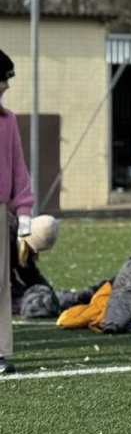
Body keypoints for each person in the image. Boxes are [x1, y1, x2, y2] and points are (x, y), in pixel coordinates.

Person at [0, 48, 34, 375]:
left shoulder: (8, 121)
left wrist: (24, 213)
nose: (6, 86)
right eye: (3, 79)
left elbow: (19, 169)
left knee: (0, 284)